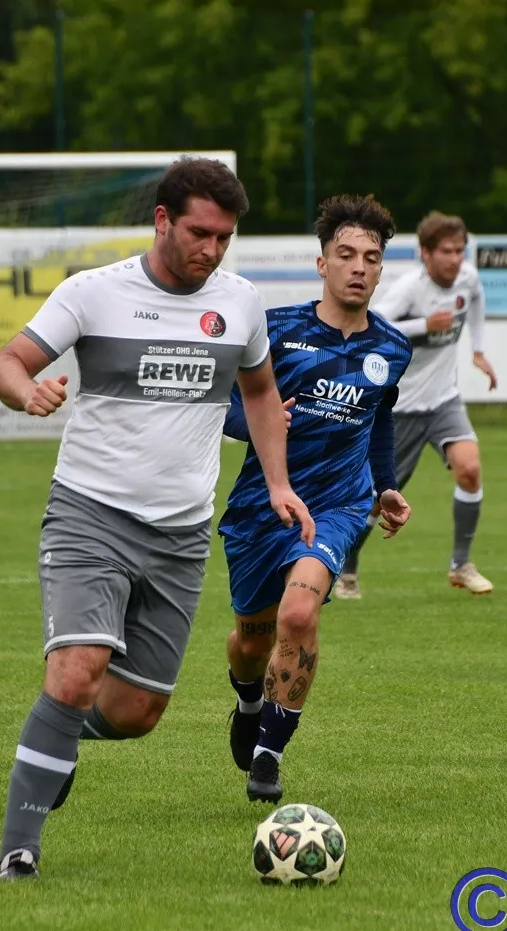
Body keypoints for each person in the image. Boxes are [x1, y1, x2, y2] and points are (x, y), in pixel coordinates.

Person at [0, 157, 312, 880]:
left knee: (137, 713)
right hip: (90, 515)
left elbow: (260, 393)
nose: (212, 250)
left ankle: (53, 737)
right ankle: (19, 849)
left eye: (225, 238)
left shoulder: (240, 303)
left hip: (180, 534)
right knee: (77, 673)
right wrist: (25, 392)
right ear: (163, 220)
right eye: (200, 233)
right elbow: (8, 361)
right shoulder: (93, 292)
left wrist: (279, 483)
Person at [219, 195, 412, 803]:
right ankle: (249, 702)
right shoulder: (276, 330)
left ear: (380, 270)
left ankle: (269, 757)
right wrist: (256, 421)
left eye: (371, 258)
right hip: (261, 506)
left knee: (299, 615)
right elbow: (223, 404)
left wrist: (385, 484)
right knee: (251, 641)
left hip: (337, 506)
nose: (359, 267)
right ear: (322, 263)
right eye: (346, 255)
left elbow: (380, 420)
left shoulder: (393, 348)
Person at [336, 211, 497, 599]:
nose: (455, 259)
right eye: (446, 251)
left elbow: (476, 301)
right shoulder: (410, 289)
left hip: (443, 400)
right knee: (376, 501)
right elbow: (372, 323)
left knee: (470, 470)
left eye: (459, 250)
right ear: (425, 253)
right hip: (400, 408)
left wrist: (478, 350)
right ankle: (346, 569)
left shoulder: (468, 279)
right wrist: (424, 325)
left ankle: (461, 565)